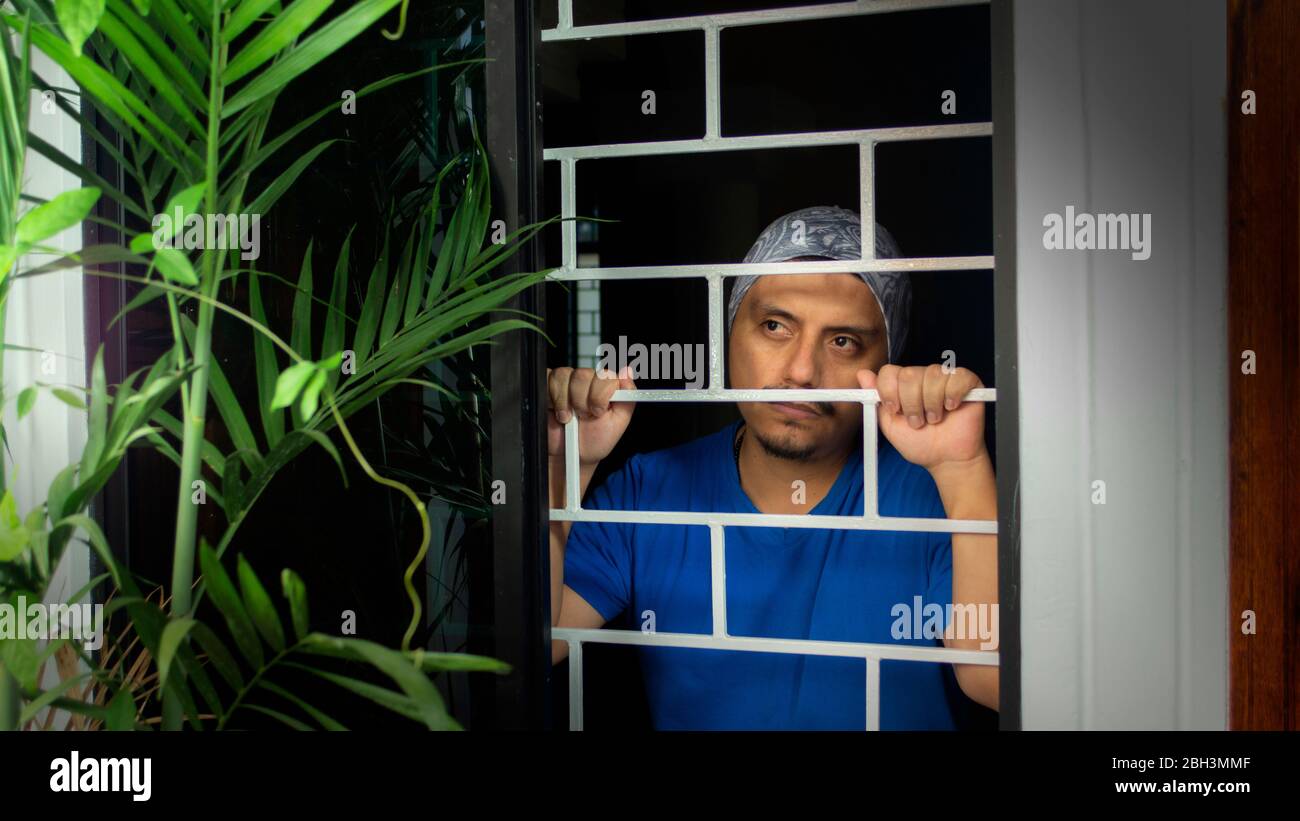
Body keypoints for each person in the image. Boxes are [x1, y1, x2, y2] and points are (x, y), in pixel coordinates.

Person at [546, 205, 998, 730]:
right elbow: (539, 641)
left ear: (885, 361)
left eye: (843, 340)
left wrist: (962, 469)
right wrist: (565, 467)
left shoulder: (932, 497)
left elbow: (994, 680)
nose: (802, 371)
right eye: (776, 326)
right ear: (729, 336)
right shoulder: (650, 492)